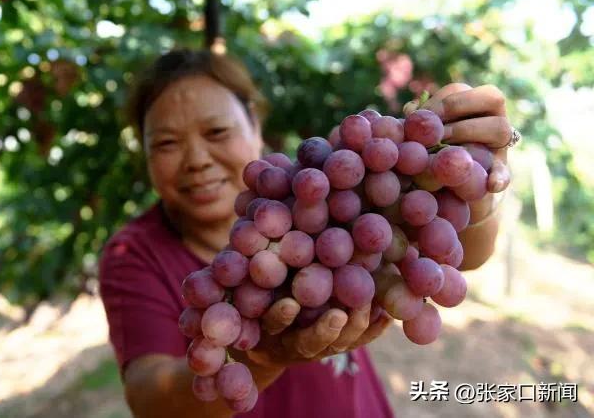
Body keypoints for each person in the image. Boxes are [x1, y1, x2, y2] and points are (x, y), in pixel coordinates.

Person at [99, 49, 514, 418]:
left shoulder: (333, 194)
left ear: (255, 126)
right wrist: (258, 360)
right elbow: (150, 401)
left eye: (217, 132)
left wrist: (470, 187)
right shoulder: (132, 253)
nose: (196, 160)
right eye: (166, 143)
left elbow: (466, 255)